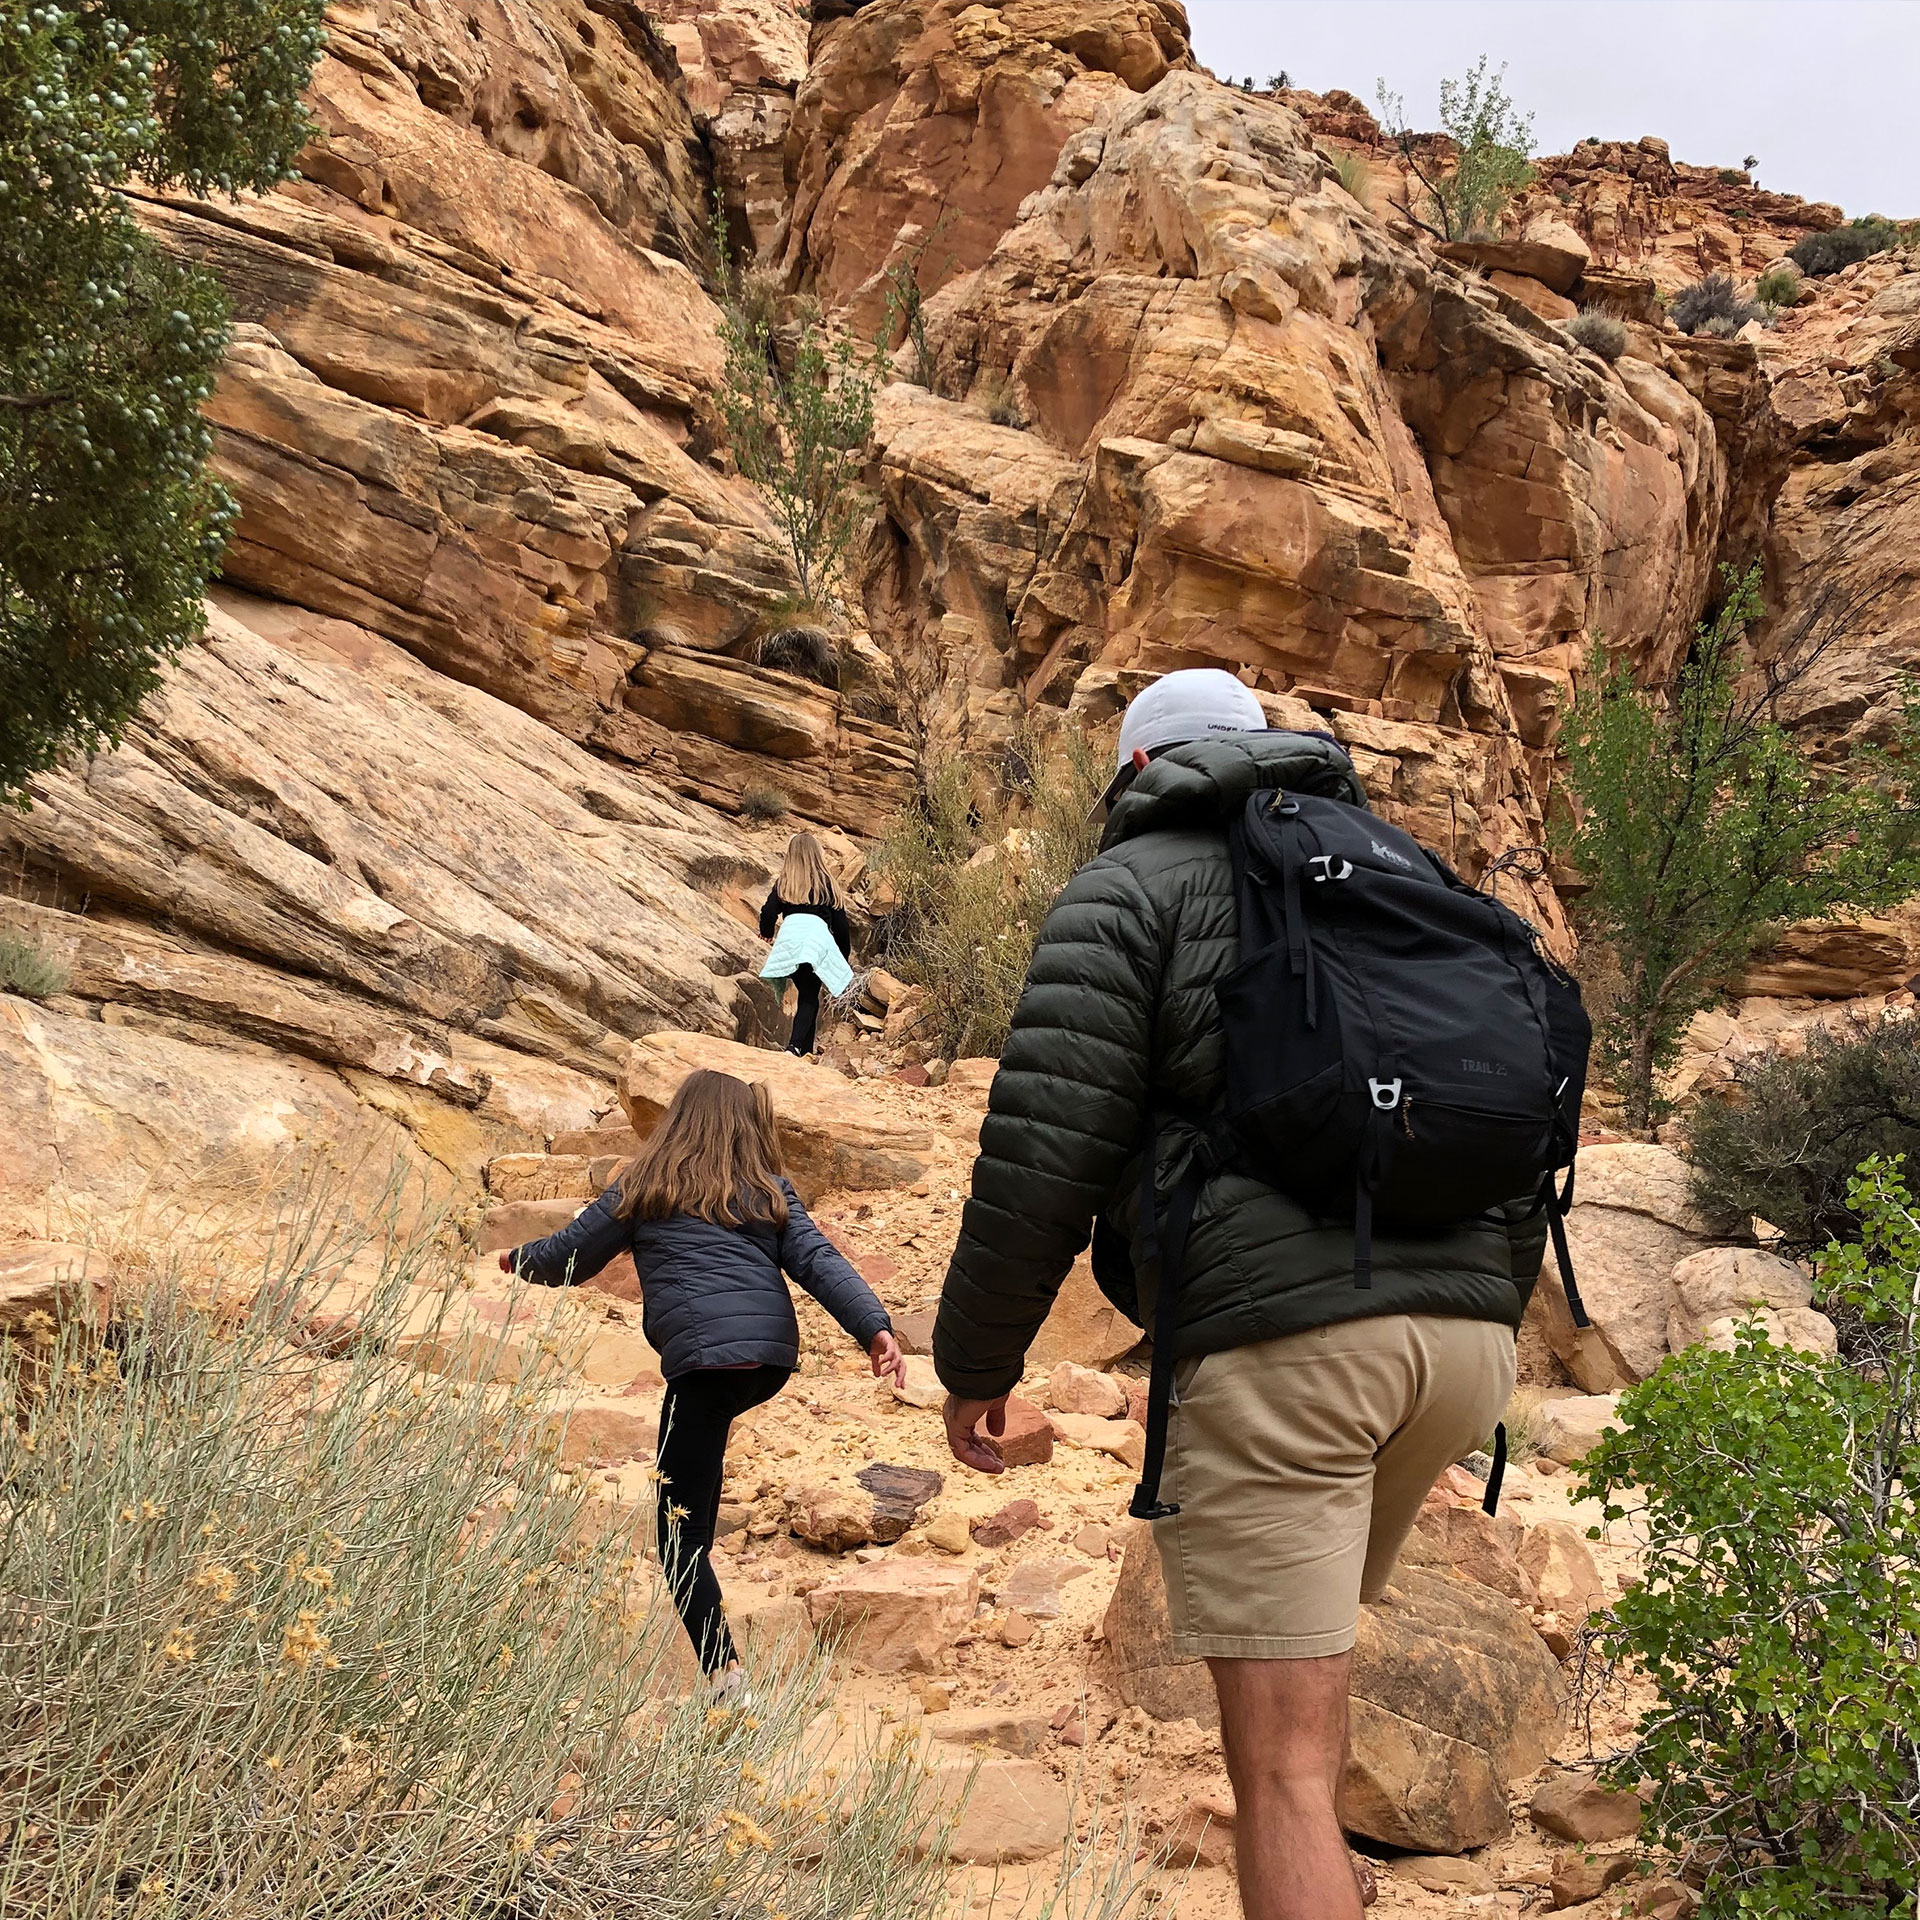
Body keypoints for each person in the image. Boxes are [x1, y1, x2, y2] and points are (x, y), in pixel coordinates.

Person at [931, 669, 1545, 1920]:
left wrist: (975, 1363)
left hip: (1292, 1353)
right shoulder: (1404, 868)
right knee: (1308, 1717)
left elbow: (1046, 1150)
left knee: (1284, 1778)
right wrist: (1484, 1308)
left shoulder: (1128, 889)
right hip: (1470, 1348)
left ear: (1139, 772)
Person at [500, 1069, 906, 1696]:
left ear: (678, 1119)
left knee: (675, 1530)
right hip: (766, 1361)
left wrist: (514, 1259)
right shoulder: (767, 1190)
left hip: (702, 1362)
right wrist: (874, 1327)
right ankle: (712, 1570)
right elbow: (819, 1261)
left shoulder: (644, 1185)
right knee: (699, 1471)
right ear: (747, 1128)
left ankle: (724, 1675)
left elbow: (567, 1257)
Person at [759, 831, 854, 1056]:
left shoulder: (785, 883)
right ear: (817, 855)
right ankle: (794, 1047)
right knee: (810, 996)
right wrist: (842, 955)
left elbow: (768, 912)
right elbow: (841, 926)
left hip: (790, 940)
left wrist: (767, 932)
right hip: (815, 941)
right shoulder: (827, 884)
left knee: (806, 993)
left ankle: (805, 1051)